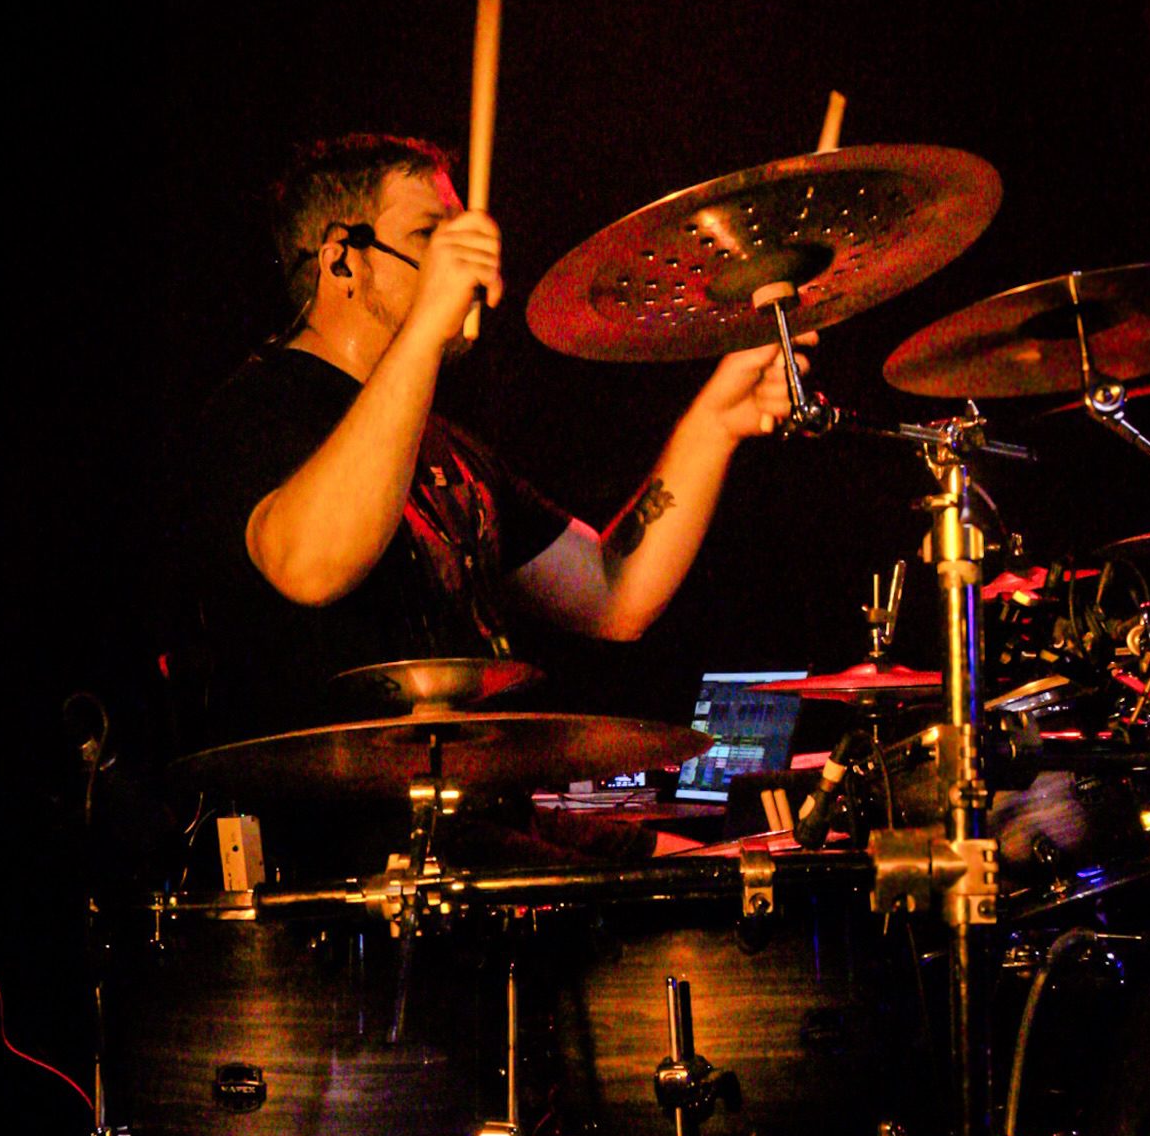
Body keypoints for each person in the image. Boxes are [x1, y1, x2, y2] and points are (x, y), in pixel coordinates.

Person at [190, 132, 806, 745]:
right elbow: (311, 566)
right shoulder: (259, 407)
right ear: (341, 262)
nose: (467, 260)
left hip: (472, 815)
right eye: (430, 236)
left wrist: (716, 424)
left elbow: (614, 595)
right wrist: (429, 325)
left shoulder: (447, 447)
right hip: (339, 834)